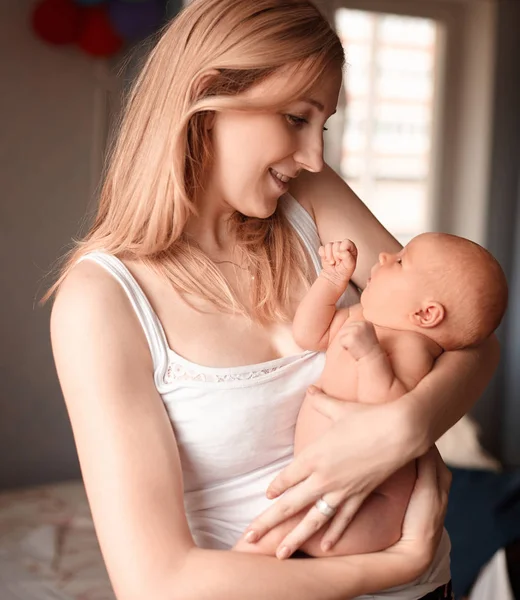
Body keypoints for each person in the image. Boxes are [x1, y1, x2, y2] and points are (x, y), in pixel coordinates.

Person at [43, 0, 499, 598]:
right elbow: (156, 583)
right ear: (206, 100)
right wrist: (397, 563)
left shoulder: (310, 200)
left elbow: (466, 333)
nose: (314, 156)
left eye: (324, 125)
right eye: (294, 118)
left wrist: (408, 425)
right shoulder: (101, 302)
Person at [234, 233, 507, 567]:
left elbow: (387, 418)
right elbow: (309, 334)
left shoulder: (413, 348)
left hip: (377, 503)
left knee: (265, 540)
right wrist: (331, 280)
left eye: (401, 260)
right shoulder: (361, 317)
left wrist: (371, 357)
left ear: (425, 314)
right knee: (274, 548)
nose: (384, 257)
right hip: (334, 489)